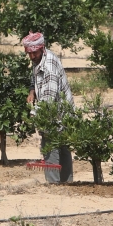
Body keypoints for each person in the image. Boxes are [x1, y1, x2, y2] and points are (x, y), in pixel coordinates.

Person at [22, 32, 73, 183]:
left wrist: (32, 114)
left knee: (51, 146)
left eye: (34, 53)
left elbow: (48, 101)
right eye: (29, 54)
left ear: (42, 48)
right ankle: (66, 182)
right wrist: (32, 91)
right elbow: (35, 75)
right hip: (58, 111)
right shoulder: (39, 58)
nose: (31, 57)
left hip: (57, 112)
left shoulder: (49, 68)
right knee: (63, 147)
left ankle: (54, 185)